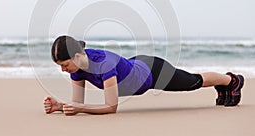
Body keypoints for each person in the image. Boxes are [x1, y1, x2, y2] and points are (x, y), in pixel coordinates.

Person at [43, 35, 244, 115]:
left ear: (77, 56)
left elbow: (111, 107)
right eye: (60, 66)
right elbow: (78, 102)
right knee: (193, 81)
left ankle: (231, 80)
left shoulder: (103, 64)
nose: (63, 70)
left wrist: (79, 109)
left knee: (193, 82)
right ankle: (226, 84)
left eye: (64, 64)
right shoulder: (77, 69)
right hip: (134, 66)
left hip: (152, 72)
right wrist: (60, 106)